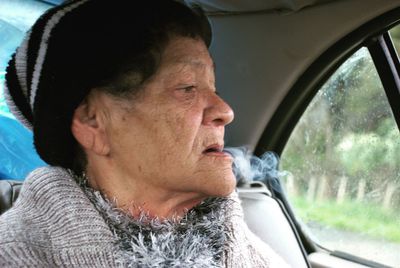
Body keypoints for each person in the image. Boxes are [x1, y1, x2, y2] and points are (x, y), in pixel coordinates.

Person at [0, 0, 289, 267]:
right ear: (93, 122)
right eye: (187, 87)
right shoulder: (14, 256)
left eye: (214, 89)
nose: (226, 111)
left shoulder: (256, 255)